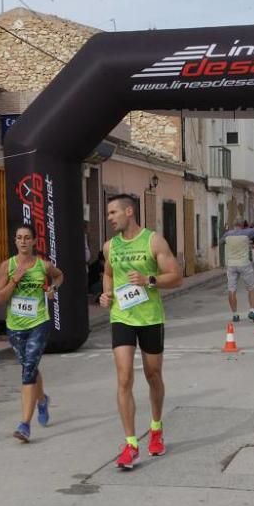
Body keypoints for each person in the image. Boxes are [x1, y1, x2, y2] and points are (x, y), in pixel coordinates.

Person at [100, 194, 182, 470]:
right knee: (124, 378)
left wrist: (150, 279)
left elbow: (176, 275)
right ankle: (131, 443)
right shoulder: (109, 246)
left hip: (149, 317)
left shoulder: (153, 241)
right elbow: (109, 274)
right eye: (108, 214)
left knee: (153, 375)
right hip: (122, 316)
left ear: (129, 211)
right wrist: (106, 293)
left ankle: (156, 428)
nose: (110, 218)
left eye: (113, 212)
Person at [0, 225, 64, 443]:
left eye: (27, 238)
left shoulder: (43, 265)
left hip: (38, 323)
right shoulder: (7, 266)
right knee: (30, 367)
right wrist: (14, 279)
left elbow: (59, 276)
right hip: (15, 326)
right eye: (19, 238)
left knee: (27, 371)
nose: (23, 241)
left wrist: (54, 289)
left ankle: (24, 425)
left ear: (34, 241)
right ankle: (42, 399)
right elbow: (0, 298)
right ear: (15, 241)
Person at [221, 212, 254, 323]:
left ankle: (235, 314)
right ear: (243, 224)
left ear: (233, 224)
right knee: (251, 288)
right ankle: (252, 311)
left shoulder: (228, 234)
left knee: (231, 289)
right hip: (244, 263)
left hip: (231, 264)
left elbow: (221, 242)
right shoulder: (247, 232)